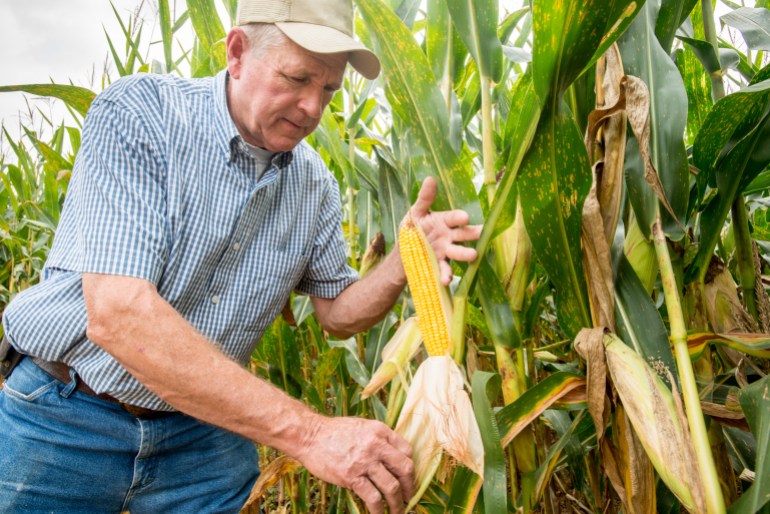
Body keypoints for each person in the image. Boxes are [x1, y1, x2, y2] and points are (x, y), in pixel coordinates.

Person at [0, 0, 481, 512]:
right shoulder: (142, 115)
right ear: (236, 52)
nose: (314, 108)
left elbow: (338, 316)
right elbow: (119, 316)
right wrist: (312, 435)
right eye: (297, 78)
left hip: (205, 436)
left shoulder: (314, 183)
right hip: (65, 417)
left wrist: (405, 262)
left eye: (329, 90)